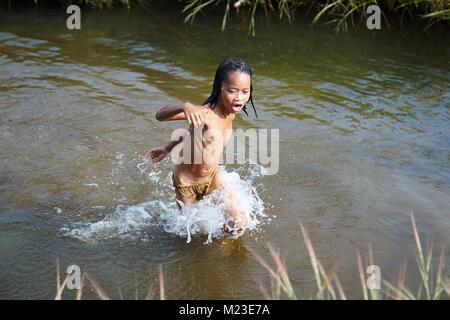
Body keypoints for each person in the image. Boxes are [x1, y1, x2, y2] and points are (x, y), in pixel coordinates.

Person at [147, 58, 258, 233]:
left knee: (237, 223)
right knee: (192, 236)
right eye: (232, 91)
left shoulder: (231, 113)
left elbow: (194, 134)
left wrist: (168, 148)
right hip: (187, 186)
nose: (239, 98)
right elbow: (159, 116)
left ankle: (225, 251)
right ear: (218, 88)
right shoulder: (205, 113)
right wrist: (185, 106)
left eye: (245, 91)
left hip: (213, 178)